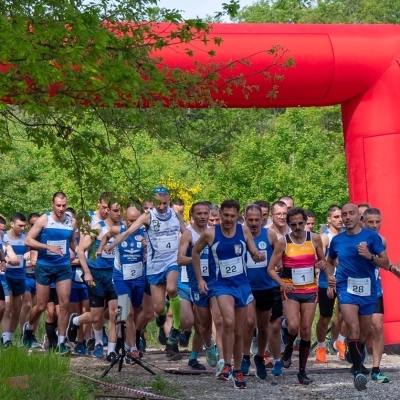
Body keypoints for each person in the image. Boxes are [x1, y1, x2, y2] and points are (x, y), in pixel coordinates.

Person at [104, 186, 186, 360]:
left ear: (169, 201)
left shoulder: (175, 216)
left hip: (163, 266)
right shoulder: (145, 219)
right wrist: (110, 245)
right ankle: (117, 348)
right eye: (158, 203)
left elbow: (187, 233)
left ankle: (173, 329)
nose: (162, 207)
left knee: (170, 290)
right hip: (126, 277)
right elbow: (123, 233)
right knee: (128, 312)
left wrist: (196, 245)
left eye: (165, 203)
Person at [192, 199, 266, 390]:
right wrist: (200, 279)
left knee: (239, 330)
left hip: (241, 284)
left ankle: (238, 369)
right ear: (220, 214)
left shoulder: (244, 230)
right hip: (221, 285)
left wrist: (258, 255)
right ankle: (225, 363)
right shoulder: (210, 233)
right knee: (229, 322)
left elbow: (253, 249)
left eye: (233, 216)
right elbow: (195, 253)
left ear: (237, 216)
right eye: (226, 215)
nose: (228, 219)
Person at [326, 203, 395, 391]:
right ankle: (357, 372)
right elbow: (330, 262)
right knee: (354, 328)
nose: (347, 217)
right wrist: (330, 276)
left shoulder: (371, 237)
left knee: (364, 333)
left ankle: (355, 353)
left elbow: (386, 262)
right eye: (344, 214)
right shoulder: (337, 240)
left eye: (351, 214)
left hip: (368, 290)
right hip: (346, 289)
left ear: (358, 217)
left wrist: (369, 256)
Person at [268, 207, 325, 385]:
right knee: (293, 326)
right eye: (294, 224)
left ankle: (302, 371)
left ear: (305, 221)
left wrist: (322, 264)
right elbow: (270, 268)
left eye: (301, 223)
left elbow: (322, 260)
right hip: (291, 290)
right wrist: (282, 283)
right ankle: (289, 346)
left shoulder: (314, 238)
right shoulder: (283, 242)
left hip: (309, 290)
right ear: (289, 224)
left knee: (306, 330)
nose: (298, 227)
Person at [67, 199, 122, 361]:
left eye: (120, 211)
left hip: (115, 274)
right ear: (108, 211)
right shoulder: (98, 228)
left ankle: (111, 350)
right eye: (115, 211)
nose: (118, 214)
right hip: (97, 274)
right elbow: (82, 251)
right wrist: (87, 272)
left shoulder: (123, 228)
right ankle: (78, 322)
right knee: (96, 316)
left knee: (115, 313)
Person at [23, 192, 77, 353]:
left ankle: (61, 342)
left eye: (64, 205)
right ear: (52, 204)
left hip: (63, 266)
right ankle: (29, 328)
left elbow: (73, 241)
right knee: (40, 305)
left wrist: (78, 252)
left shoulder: (71, 222)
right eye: (58, 205)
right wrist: (47, 247)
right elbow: (28, 240)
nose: (61, 209)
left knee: (65, 304)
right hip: (45, 266)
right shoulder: (44, 219)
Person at [178, 202, 219, 371]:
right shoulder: (188, 234)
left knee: (219, 320)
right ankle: (208, 347)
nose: (202, 216)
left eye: (205, 213)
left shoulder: (215, 232)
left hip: (214, 282)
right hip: (193, 282)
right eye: (199, 213)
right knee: (200, 324)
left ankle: (199, 357)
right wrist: (196, 258)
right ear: (192, 215)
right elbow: (180, 259)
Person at [363, 207, 400, 383]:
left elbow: (386, 263)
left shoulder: (381, 240)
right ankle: (356, 352)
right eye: (371, 222)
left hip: (375, 289)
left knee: (377, 326)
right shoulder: (350, 240)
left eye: (378, 222)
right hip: (353, 292)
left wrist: (395, 270)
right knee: (360, 329)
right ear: (362, 222)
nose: (375, 225)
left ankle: (376, 369)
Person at [241, 203, 278, 380]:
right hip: (246, 286)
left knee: (263, 326)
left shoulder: (269, 235)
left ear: (263, 219)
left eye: (258, 219)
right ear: (244, 218)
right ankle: (245, 357)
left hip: (265, 286)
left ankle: (259, 357)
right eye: (251, 220)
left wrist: (278, 266)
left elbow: (280, 255)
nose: (254, 223)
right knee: (249, 322)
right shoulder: (239, 234)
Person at [315, 205, 343, 363]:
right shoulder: (325, 237)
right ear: (329, 219)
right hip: (327, 282)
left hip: (344, 281)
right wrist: (330, 279)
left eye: (341, 217)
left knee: (345, 315)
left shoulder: (347, 235)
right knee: (325, 317)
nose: (340, 220)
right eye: (336, 217)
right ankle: (320, 347)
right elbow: (322, 260)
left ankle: (338, 341)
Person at [266, 200, 291, 376]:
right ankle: (274, 358)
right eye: (279, 214)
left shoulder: (296, 231)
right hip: (272, 283)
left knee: (294, 324)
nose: (282, 217)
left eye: (284, 213)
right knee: (272, 325)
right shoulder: (267, 232)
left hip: (294, 283)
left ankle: (288, 347)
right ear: (272, 216)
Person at [2, 213, 29, 346]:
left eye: (24, 226)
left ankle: (10, 337)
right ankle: (5, 337)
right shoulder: (4, 237)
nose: (22, 228)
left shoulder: (26, 238)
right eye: (20, 225)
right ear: (12, 224)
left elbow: (33, 252)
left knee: (17, 309)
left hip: (20, 276)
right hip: (6, 277)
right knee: (6, 308)